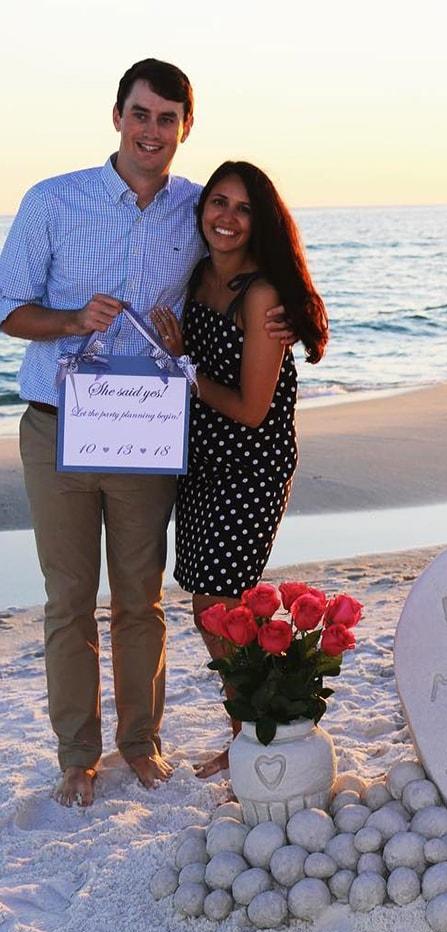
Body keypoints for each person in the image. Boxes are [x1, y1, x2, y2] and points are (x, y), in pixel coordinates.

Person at [0, 60, 289, 807]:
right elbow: (8, 309)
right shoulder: (52, 200)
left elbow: (253, 258)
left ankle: (142, 743)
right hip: (56, 429)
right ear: (117, 116)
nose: (151, 130)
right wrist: (70, 321)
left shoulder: (197, 210)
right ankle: (76, 756)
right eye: (140, 114)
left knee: (140, 600)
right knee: (68, 598)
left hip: (145, 435)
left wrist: (289, 316)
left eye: (167, 118)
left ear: (185, 126)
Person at [151, 161, 328, 777]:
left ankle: (258, 736)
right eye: (217, 203)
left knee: (219, 602)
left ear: (261, 223)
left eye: (242, 209)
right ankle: (247, 732)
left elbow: (253, 411)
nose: (226, 218)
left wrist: (184, 371)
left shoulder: (261, 296)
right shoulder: (200, 275)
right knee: (209, 601)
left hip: (250, 464)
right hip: (201, 458)